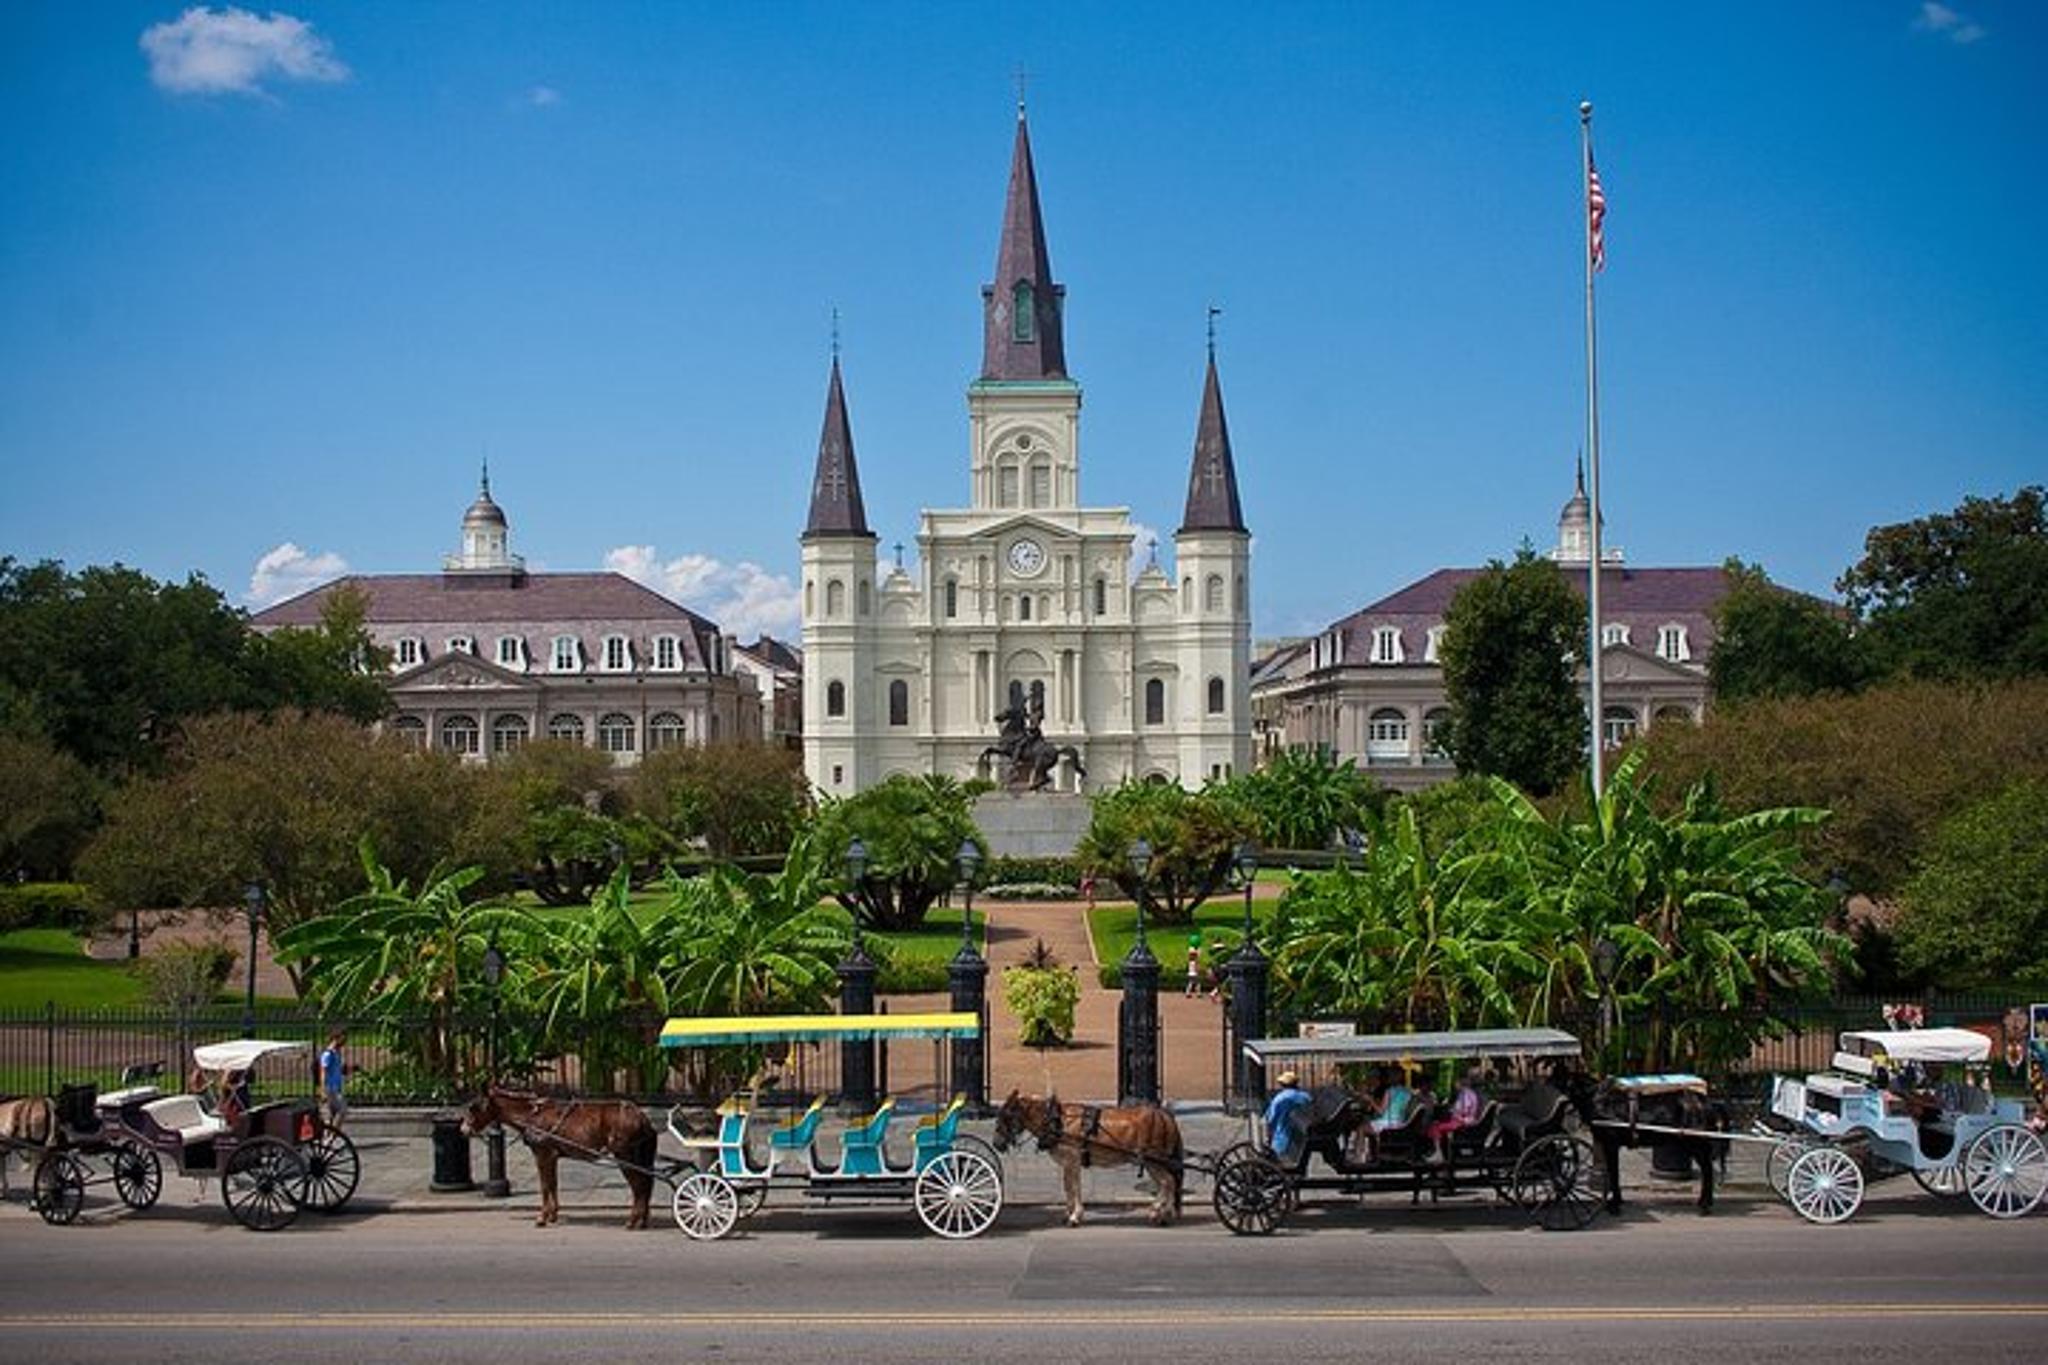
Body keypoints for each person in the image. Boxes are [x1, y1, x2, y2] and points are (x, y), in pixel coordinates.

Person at [1425, 1067, 1487, 1160]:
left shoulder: (1467, 1093)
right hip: (1463, 1121)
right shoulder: (1466, 1093)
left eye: (1457, 1081)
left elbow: (1465, 1111)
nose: (1455, 1084)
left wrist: (1453, 1112)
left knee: (1436, 1126)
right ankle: (1440, 1152)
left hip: (1464, 1122)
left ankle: (1439, 1153)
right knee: (1437, 1124)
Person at [1262, 1070, 1314, 1161]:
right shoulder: (1305, 1096)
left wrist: (1268, 1135)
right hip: (1301, 1133)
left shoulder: (1280, 1098)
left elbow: (1270, 1119)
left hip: (1283, 1137)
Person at [318, 1030, 349, 1131]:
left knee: (331, 1116)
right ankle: (331, 1136)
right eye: (343, 1038)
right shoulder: (328, 1054)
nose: (344, 1041)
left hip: (336, 1089)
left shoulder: (337, 1053)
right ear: (336, 1038)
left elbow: (338, 1070)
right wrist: (323, 1091)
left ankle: (328, 1138)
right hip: (330, 1089)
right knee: (342, 1110)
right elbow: (323, 1072)